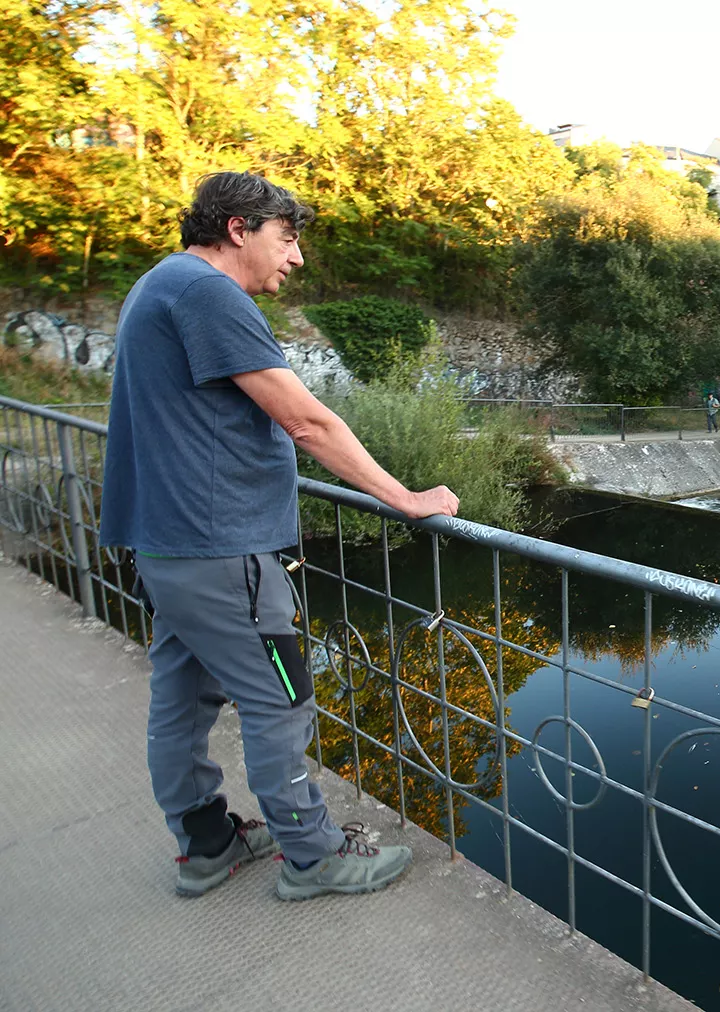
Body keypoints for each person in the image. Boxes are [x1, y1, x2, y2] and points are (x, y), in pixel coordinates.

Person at [100, 172, 459, 901]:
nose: (294, 259)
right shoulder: (208, 294)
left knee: (181, 699)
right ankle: (313, 855)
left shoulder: (158, 284)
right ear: (239, 228)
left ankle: (206, 846)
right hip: (220, 551)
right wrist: (405, 498)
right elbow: (307, 421)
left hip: (169, 549)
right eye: (287, 239)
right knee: (283, 698)